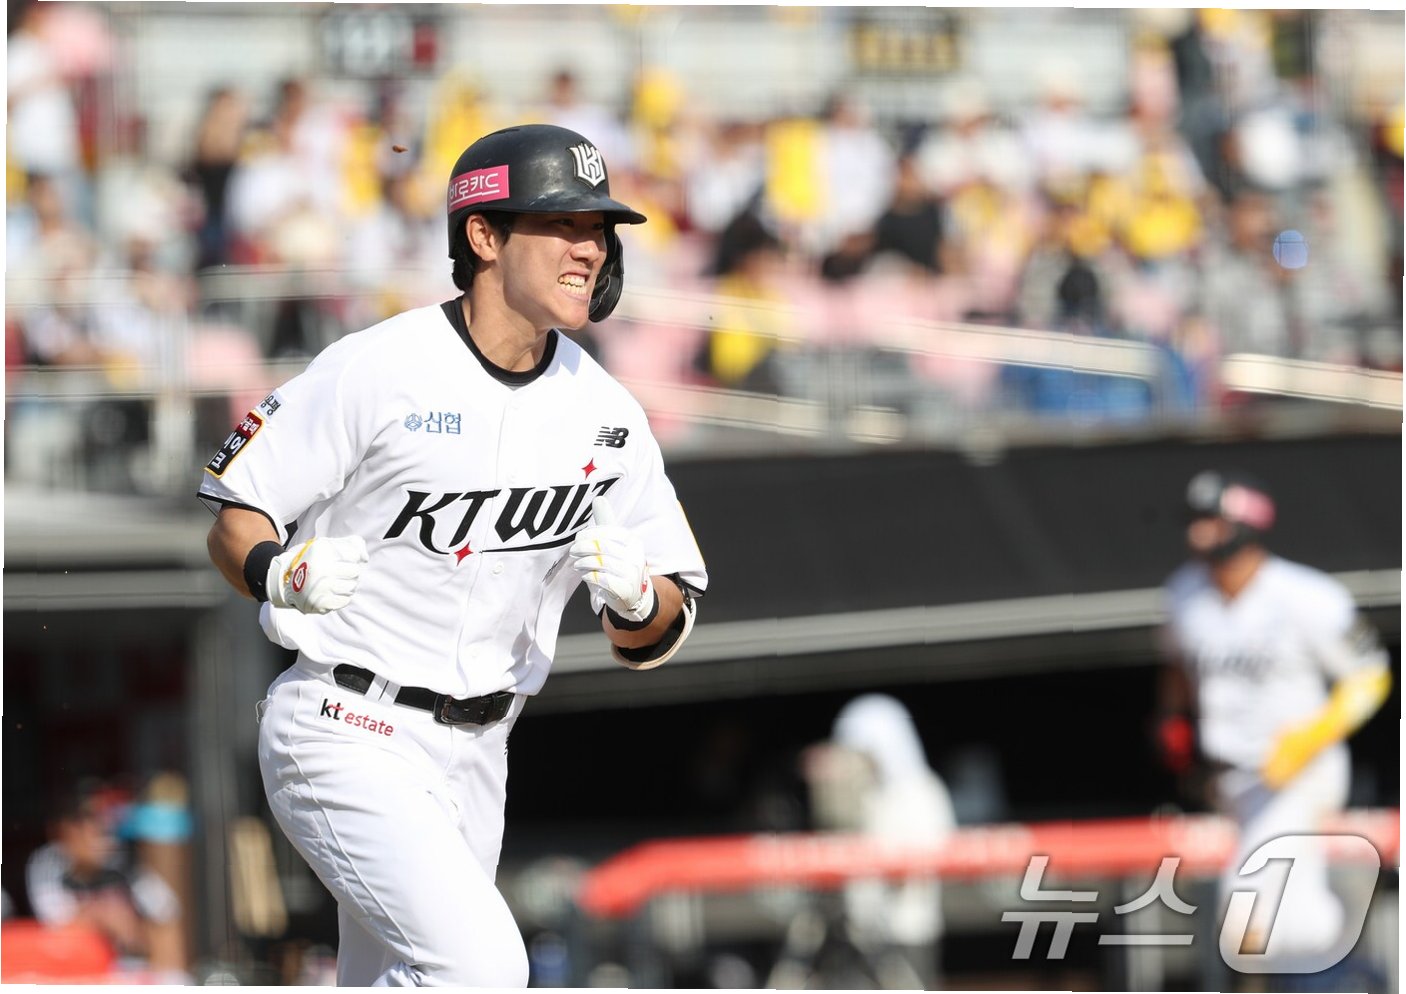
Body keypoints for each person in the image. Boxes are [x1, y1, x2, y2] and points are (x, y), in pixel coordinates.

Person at [197, 123, 708, 987]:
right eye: (563, 224)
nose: (590, 248)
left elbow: (659, 629)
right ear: (484, 235)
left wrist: (635, 599)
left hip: (481, 751)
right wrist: (276, 571)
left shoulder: (607, 412)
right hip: (346, 724)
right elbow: (234, 512)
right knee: (481, 971)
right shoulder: (379, 367)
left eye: (598, 228)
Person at [1157, 470, 1391, 971]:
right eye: (1194, 521)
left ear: (1245, 524)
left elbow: (1371, 675)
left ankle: (1346, 959)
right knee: (1278, 926)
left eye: (1211, 521)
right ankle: (1352, 966)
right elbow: (1176, 666)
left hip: (1299, 772)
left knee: (1246, 919)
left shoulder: (1306, 594)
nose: (1198, 533)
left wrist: (1311, 735)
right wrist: (1172, 721)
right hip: (1230, 779)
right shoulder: (1182, 595)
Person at [24, 780, 185, 976]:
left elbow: (167, 914)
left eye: (105, 822)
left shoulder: (122, 863)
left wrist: (138, 933)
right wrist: (103, 915)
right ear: (67, 829)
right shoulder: (49, 862)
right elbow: (56, 928)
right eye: (91, 821)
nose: (101, 831)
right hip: (70, 974)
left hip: (125, 971)